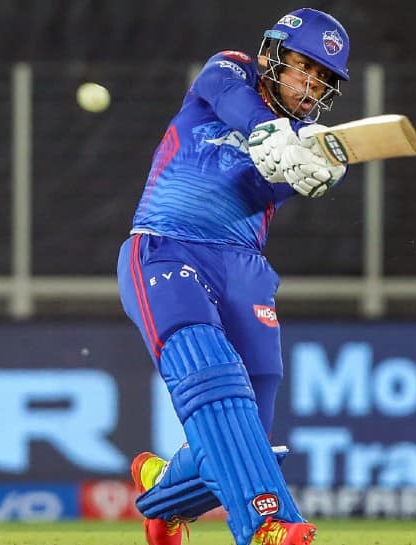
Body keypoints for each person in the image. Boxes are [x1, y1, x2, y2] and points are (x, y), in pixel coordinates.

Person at [115, 7, 350, 545]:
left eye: (323, 79)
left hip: (244, 269)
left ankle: (161, 495)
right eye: (303, 67)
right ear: (273, 55)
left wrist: (310, 169)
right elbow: (228, 97)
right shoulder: (231, 71)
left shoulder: (307, 142)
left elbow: (257, 193)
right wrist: (270, 133)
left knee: (245, 433)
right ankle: (267, 523)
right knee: (213, 376)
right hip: (167, 246)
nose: (311, 85)